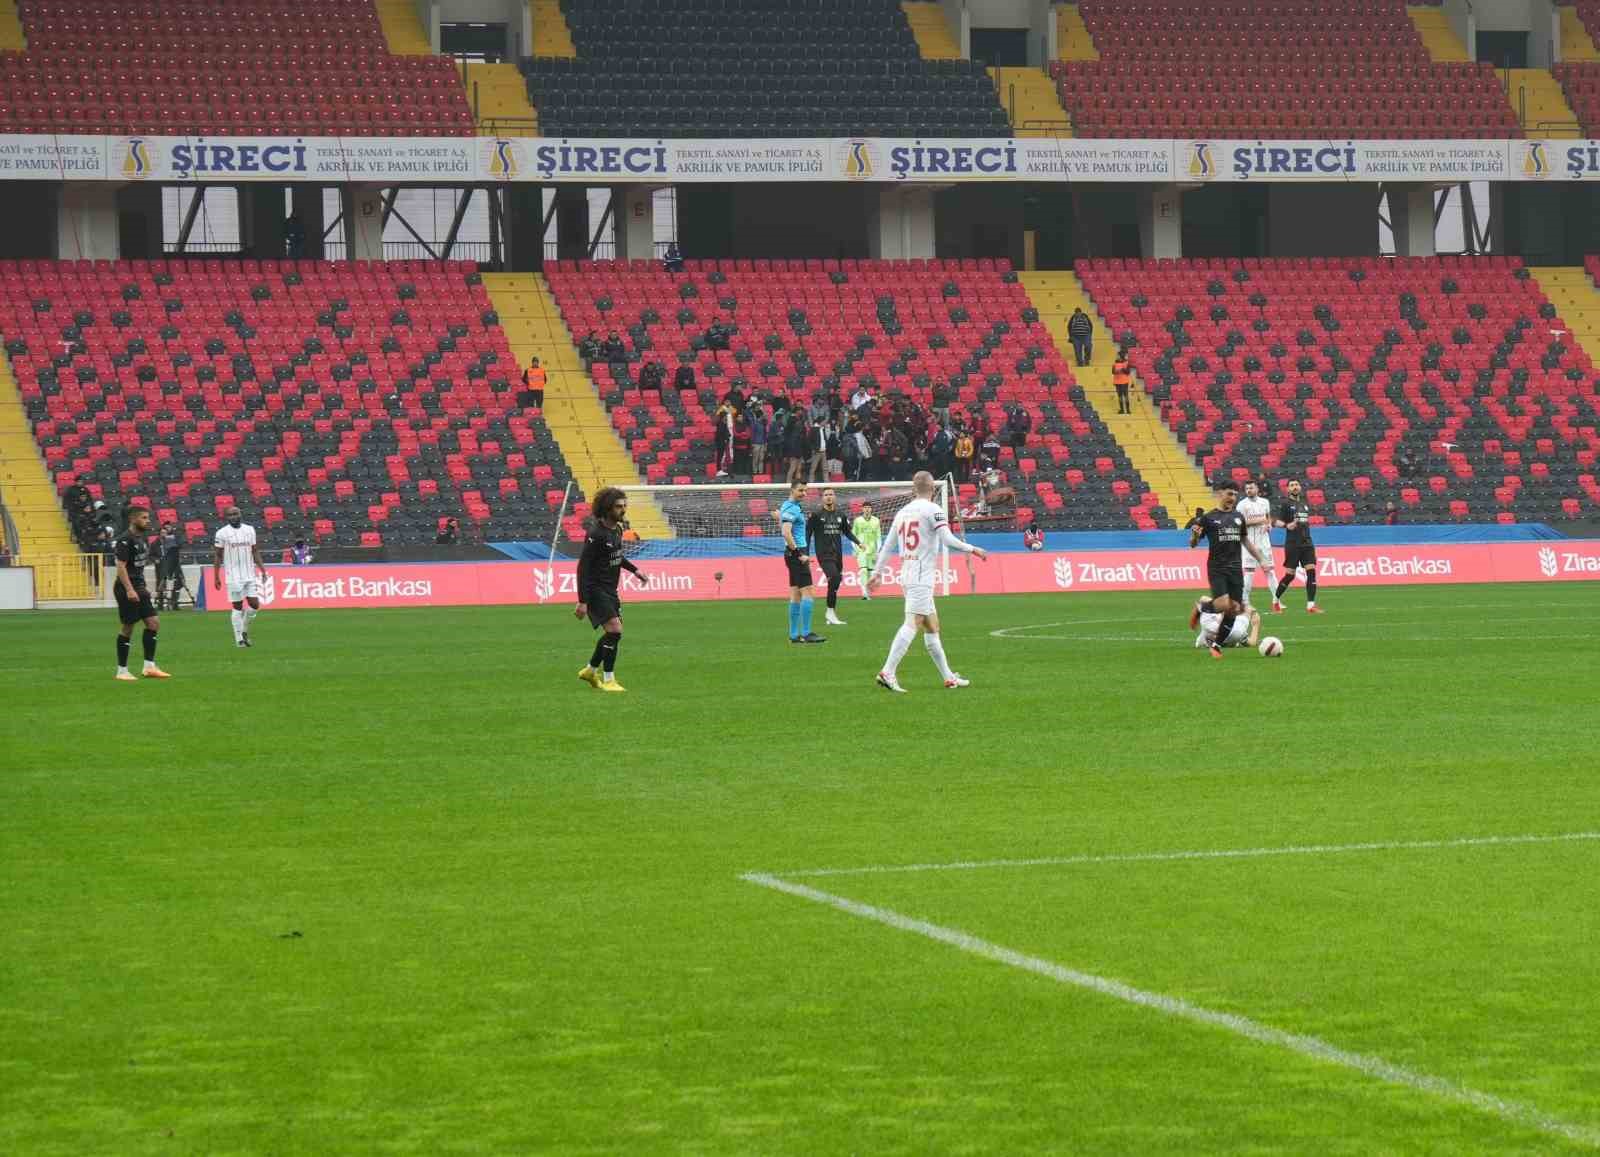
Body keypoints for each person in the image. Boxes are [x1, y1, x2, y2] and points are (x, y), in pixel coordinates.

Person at [868, 471, 987, 691]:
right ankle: (887, 671)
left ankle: (948, 677)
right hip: (921, 575)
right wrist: (972, 548)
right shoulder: (933, 509)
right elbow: (947, 539)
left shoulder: (902, 511)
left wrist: (877, 572)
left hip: (907, 572)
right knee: (912, 622)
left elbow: (887, 546)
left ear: (914, 489)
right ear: (933, 488)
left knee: (932, 626)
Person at [1188, 481, 1271, 659]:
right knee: (1224, 603)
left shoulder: (1238, 517)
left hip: (1235, 569)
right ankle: (1202, 607)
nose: (1232, 498)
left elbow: (1245, 541)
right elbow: (1193, 544)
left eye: (1234, 494)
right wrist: (1194, 535)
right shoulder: (1208, 518)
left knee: (1234, 608)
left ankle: (1216, 645)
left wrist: (1261, 559)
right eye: (1229, 494)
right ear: (1219, 494)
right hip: (1217, 567)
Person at [575, 488, 645, 692]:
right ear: (607, 508)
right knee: (615, 630)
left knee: (613, 634)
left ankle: (590, 670)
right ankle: (609, 680)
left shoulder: (618, 529)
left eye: (624, 506)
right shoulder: (595, 534)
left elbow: (616, 556)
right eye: (618, 506)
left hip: (610, 589)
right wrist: (582, 601)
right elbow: (583, 567)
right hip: (595, 589)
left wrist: (634, 570)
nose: (623, 510)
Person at [112, 505, 170, 680]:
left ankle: (149, 667)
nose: (147, 520)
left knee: (153, 623)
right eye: (143, 518)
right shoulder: (125, 540)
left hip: (139, 586)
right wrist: (130, 589)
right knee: (128, 627)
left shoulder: (142, 538)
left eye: (147, 517)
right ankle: (122, 671)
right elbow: (120, 566)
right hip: (126, 588)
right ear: (132, 519)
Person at [778, 480, 825, 644]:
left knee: (795, 593)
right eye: (800, 490)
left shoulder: (788, 506)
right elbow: (786, 532)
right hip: (797, 554)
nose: (803, 493)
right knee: (808, 592)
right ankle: (806, 633)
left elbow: (784, 524)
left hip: (792, 554)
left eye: (805, 491)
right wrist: (799, 554)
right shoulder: (791, 508)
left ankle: (793, 634)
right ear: (792, 490)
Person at [213, 504, 265, 648]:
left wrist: (262, 569)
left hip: (249, 574)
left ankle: (244, 631)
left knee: (255, 605)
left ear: (240, 514)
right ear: (226, 517)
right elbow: (217, 555)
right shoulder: (221, 533)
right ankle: (239, 639)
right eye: (230, 515)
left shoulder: (250, 530)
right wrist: (216, 576)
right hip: (233, 576)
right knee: (237, 606)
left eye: (236, 513)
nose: (233, 517)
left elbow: (255, 551)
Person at [806, 487, 860, 627]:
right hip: (824, 554)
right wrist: (805, 552)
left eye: (831, 494)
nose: (829, 497)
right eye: (826, 495)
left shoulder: (841, 515)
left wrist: (859, 543)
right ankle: (830, 612)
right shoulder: (816, 515)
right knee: (834, 577)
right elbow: (808, 534)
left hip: (838, 554)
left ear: (834, 497)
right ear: (822, 498)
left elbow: (847, 532)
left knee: (835, 583)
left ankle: (831, 614)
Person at [1273, 478, 1323, 613]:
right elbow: (1275, 522)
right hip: (1293, 544)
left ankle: (1311, 605)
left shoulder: (1305, 504)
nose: (1295, 487)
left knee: (1311, 572)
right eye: (1292, 485)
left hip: (1307, 542)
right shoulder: (1285, 504)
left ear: (1300, 487)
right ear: (1288, 489)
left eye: (1296, 484)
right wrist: (1286, 525)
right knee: (1290, 575)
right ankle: (1276, 600)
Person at [1236, 479, 1280, 612]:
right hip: (1249, 543)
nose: (1249, 490)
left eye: (1251, 488)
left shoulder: (1265, 502)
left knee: (1270, 571)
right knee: (1249, 573)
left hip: (1264, 543)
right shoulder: (1241, 505)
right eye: (1247, 488)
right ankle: (1245, 601)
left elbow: (1268, 518)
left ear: (1257, 489)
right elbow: (1239, 523)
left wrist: (1269, 525)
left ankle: (1276, 600)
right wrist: (1259, 520)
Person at [1191, 601, 1262, 651]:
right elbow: (1251, 642)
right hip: (1231, 629)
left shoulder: (1207, 620)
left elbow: (1203, 600)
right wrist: (1256, 624)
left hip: (1222, 627)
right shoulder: (1238, 628)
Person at [852, 501, 881, 600]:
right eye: (865, 507)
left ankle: (867, 592)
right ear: (862, 509)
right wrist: (855, 549)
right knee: (863, 570)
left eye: (869, 507)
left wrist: (878, 550)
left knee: (870, 572)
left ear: (871, 509)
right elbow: (853, 536)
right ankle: (864, 593)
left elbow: (878, 537)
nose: (867, 509)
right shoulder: (857, 521)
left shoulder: (876, 520)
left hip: (872, 551)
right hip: (861, 550)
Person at [154, 520, 185, 610]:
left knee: (179, 581)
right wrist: (155, 559)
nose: (167, 529)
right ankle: (160, 604)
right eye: (165, 528)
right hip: (163, 566)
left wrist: (171, 540)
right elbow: (151, 554)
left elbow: (180, 545)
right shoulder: (156, 543)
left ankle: (174, 602)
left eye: (169, 527)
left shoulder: (176, 538)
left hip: (175, 564)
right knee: (162, 583)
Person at [1112, 346, 1134, 414]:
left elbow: (1128, 372)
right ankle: (1122, 409)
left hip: (1124, 382)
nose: (1117, 356)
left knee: (1125, 395)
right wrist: (1116, 371)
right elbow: (1113, 372)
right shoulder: (1115, 363)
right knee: (1119, 396)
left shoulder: (1126, 363)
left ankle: (1128, 410)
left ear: (1121, 356)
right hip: (1117, 382)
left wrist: (1122, 369)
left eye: (1118, 355)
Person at [749, 403, 768, 477]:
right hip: (756, 443)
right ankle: (755, 471)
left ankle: (760, 472)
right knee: (755, 458)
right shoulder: (755, 424)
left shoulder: (763, 424)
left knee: (761, 459)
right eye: (762, 416)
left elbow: (765, 434)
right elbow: (753, 434)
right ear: (759, 417)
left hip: (762, 443)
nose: (764, 417)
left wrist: (765, 443)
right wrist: (752, 443)